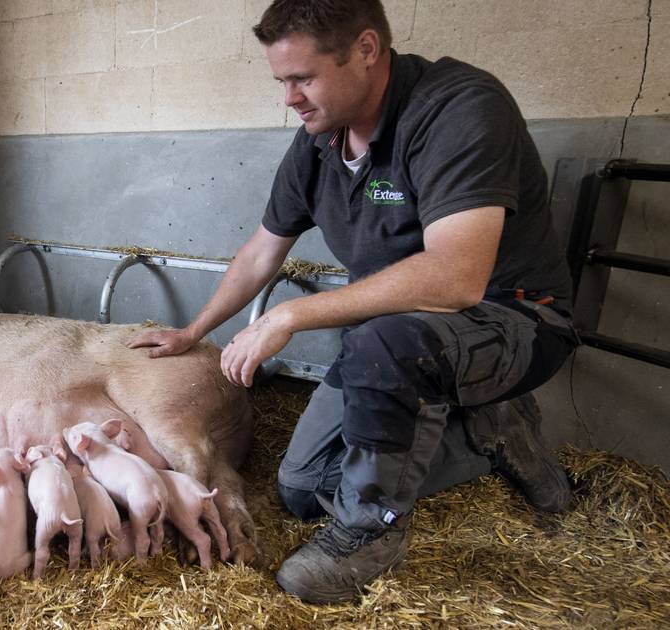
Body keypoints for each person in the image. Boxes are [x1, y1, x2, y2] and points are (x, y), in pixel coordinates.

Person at [127, 0, 580, 604]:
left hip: (514, 320)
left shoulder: (458, 107)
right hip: (396, 341)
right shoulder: (317, 142)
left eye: (302, 78)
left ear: (366, 50)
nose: (289, 97)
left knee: (381, 340)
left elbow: (457, 277)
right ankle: (487, 433)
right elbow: (264, 251)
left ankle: (369, 533)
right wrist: (194, 330)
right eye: (281, 80)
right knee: (301, 484)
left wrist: (290, 313)